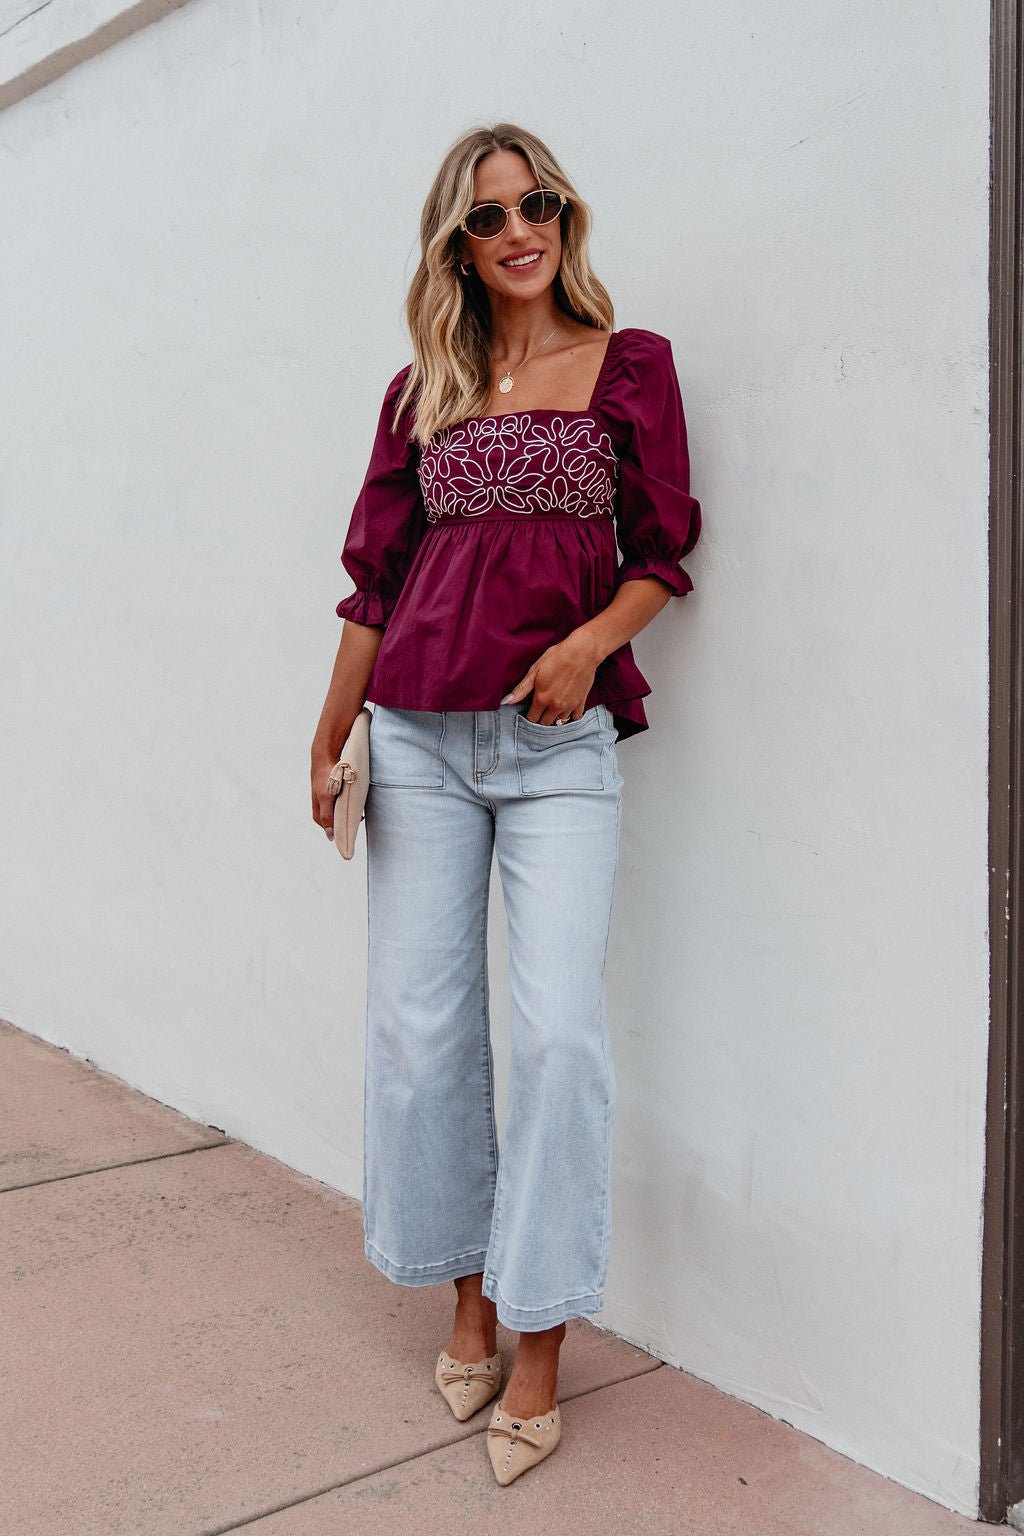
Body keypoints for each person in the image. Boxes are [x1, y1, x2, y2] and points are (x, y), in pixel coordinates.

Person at [310, 121, 701, 1486]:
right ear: (456, 245)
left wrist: (589, 646)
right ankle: (464, 1286)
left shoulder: (629, 366)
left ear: (564, 216)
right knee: (422, 1034)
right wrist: (326, 731)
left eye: (539, 202)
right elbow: (374, 585)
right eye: (490, 216)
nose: (521, 227)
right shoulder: (422, 385)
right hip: (414, 739)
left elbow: (660, 553)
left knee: (556, 1040)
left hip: (555, 750)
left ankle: (539, 1336)